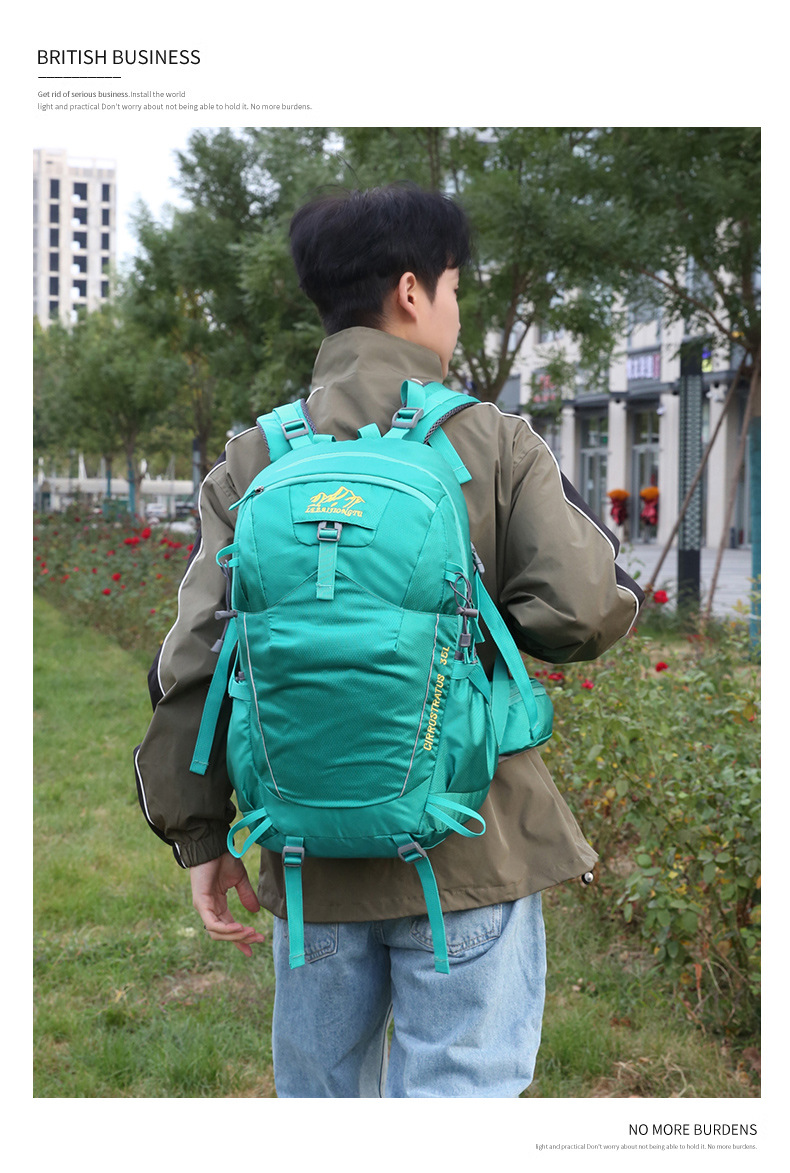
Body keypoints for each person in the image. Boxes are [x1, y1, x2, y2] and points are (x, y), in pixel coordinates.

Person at [134, 183, 643, 1098]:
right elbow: (581, 610)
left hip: (308, 854)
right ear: (412, 291)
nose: (458, 310)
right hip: (470, 842)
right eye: (456, 288)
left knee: (325, 1102)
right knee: (459, 1096)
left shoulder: (255, 457)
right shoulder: (492, 441)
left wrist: (200, 834)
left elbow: (196, 660)